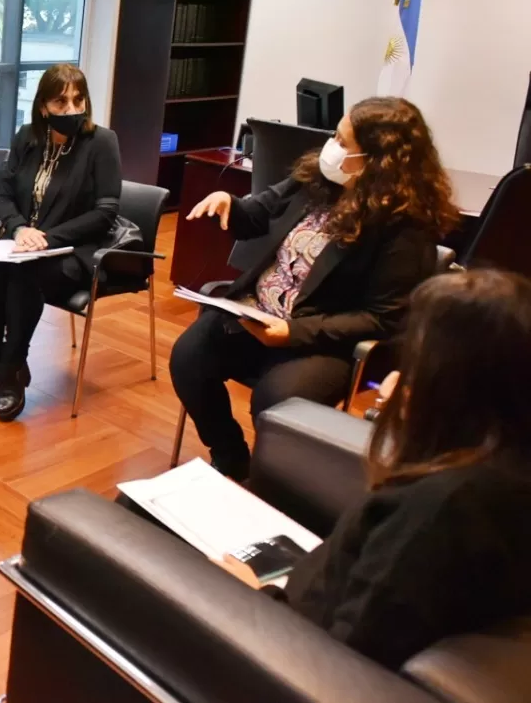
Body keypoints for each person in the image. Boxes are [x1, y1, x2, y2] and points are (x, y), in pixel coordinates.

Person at [169, 97, 460, 481]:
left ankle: (278, 482)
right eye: (335, 136)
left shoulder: (404, 227)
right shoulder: (319, 179)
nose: (331, 148)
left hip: (321, 340)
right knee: (188, 358)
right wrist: (230, 203)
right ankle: (230, 454)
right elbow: (259, 213)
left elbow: (382, 318)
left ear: (376, 160)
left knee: (276, 403)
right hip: (257, 313)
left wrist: (293, 333)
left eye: (343, 142)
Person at [284, 269, 531, 670]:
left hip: (282, 643)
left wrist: (249, 596)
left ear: (449, 384)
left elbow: (341, 664)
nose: (399, 377)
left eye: (416, 362)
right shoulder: (503, 468)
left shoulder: (440, 513)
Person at [0, 64, 121, 422]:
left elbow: (106, 212)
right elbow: (3, 193)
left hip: (74, 249)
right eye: (60, 102)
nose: (71, 109)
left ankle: (12, 367)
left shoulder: (102, 142)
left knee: (24, 278)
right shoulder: (27, 136)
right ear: (43, 106)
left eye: (78, 100)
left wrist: (47, 238)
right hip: (21, 244)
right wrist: (18, 228)